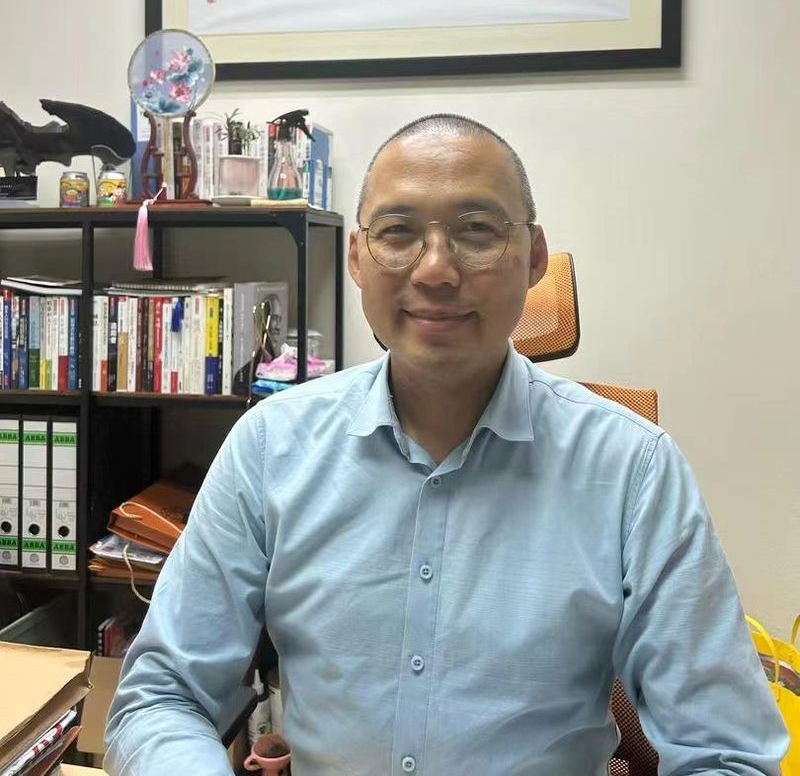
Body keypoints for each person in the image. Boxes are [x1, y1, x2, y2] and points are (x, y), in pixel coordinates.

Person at [105, 114, 788, 775]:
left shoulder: (632, 469)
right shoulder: (271, 446)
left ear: (535, 257)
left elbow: (727, 752)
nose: (435, 270)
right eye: (398, 232)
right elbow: (163, 695)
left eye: (477, 231)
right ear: (357, 256)